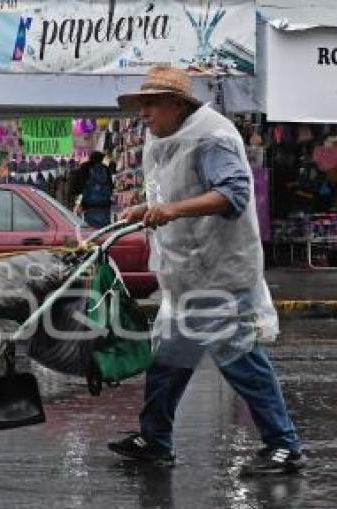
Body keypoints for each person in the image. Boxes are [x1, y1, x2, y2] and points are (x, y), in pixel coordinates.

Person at [107, 66, 303, 475]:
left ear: (177, 104)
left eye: (151, 104)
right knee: (168, 361)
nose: (144, 114)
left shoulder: (211, 137)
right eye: (141, 105)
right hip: (186, 274)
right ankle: (155, 439)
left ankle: (284, 446)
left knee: (240, 360)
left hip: (219, 273)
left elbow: (233, 194)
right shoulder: (165, 137)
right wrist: (147, 209)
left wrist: (172, 210)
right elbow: (173, 193)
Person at [72, 151, 114, 228]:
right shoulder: (106, 168)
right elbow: (113, 165)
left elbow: (79, 190)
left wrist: (78, 204)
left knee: (92, 233)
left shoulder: (83, 169)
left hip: (89, 208)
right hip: (104, 208)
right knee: (105, 232)